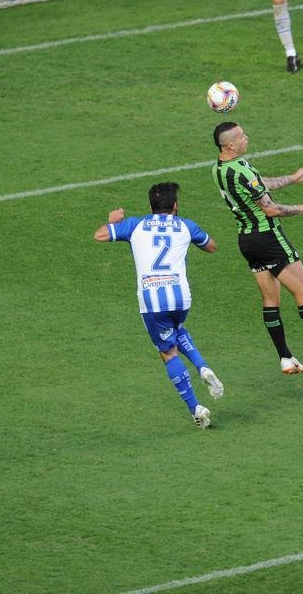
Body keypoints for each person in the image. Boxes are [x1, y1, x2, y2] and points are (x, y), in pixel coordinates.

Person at [212, 121, 303, 373]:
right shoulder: (241, 170)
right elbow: (269, 209)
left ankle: (285, 357)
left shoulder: (220, 168)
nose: (247, 138)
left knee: (270, 298)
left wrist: (293, 178)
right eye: (242, 136)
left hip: (247, 241)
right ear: (231, 145)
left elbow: (258, 184)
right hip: (268, 238)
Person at [94, 182, 224, 429]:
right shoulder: (186, 225)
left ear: (150, 206)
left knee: (168, 352)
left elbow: (100, 235)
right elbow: (211, 246)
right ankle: (202, 366)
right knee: (176, 329)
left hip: (152, 301)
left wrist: (114, 221)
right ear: (175, 205)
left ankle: (196, 409)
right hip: (181, 297)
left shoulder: (135, 225)